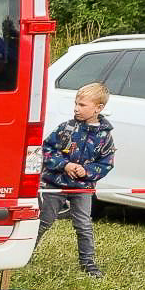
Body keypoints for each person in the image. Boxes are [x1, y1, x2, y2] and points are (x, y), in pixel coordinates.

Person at [38, 83, 114, 279]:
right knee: (43, 221)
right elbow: (46, 149)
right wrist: (64, 165)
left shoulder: (105, 137)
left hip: (82, 188)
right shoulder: (66, 128)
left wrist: (86, 171)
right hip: (55, 184)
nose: (76, 108)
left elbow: (106, 164)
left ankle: (88, 263)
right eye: (76, 104)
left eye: (82, 105)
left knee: (83, 224)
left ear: (98, 108)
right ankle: (24, 254)